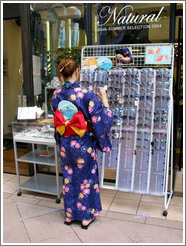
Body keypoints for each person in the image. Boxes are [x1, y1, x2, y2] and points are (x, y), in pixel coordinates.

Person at [52, 58, 113, 229]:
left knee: (69, 177)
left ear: (62, 75)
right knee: (86, 179)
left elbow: (57, 121)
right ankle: (86, 216)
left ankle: (70, 215)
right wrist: (105, 99)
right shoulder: (86, 95)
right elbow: (101, 120)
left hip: (66, 144)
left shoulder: (56, 94)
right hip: (83, 144)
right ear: (77, 71)